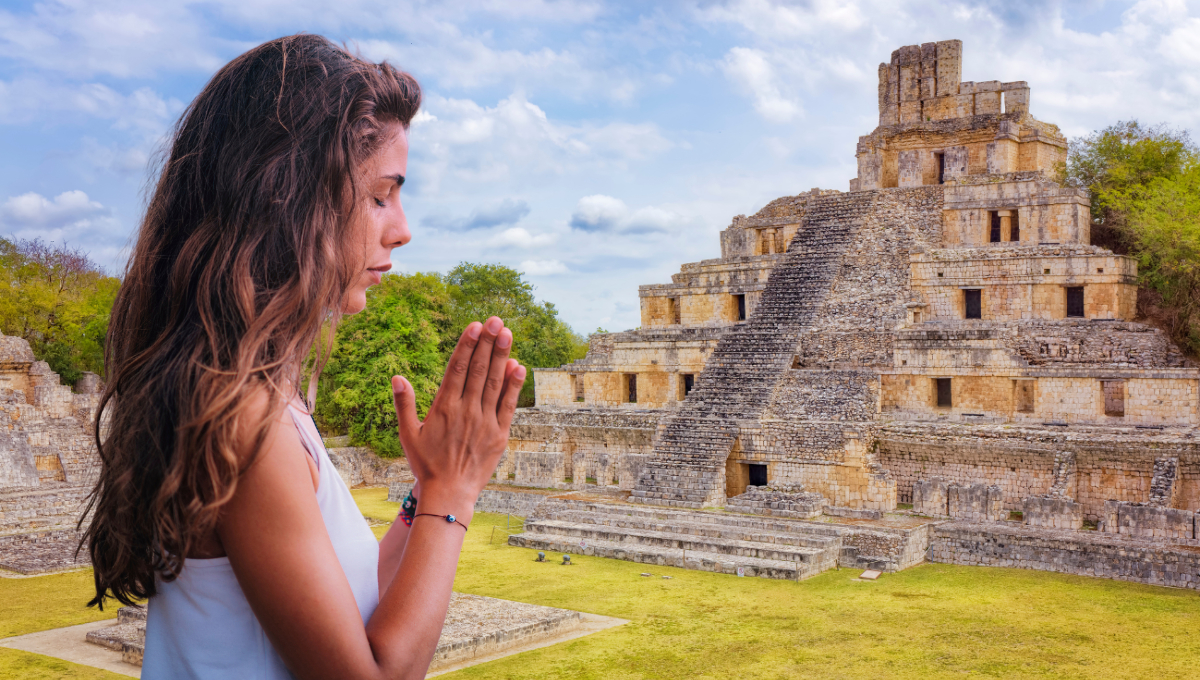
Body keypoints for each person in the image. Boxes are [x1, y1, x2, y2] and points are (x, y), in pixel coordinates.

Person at [81, 34, 525, 679]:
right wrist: (457, 489)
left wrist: (425, 494)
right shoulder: (244, 419)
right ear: (285, 199)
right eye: (379, 195)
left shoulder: (255, 394)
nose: (401, 228)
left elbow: (338, 605)